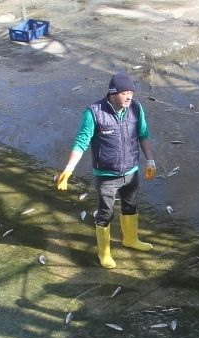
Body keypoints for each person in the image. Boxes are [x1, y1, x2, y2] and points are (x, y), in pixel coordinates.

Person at [55, 72, 157, 269]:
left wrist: (150, 160)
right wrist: (69, 169)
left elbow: (143, 134)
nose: (129, 97)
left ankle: (130, 239)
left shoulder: (136, 108)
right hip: (106, 176)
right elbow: (82, 141)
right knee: (105, 213)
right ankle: (104, 253)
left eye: (131, 93)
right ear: (113, 92)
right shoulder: (94, 113)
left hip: (131, 171)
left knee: (131, 207)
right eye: (124, 93)